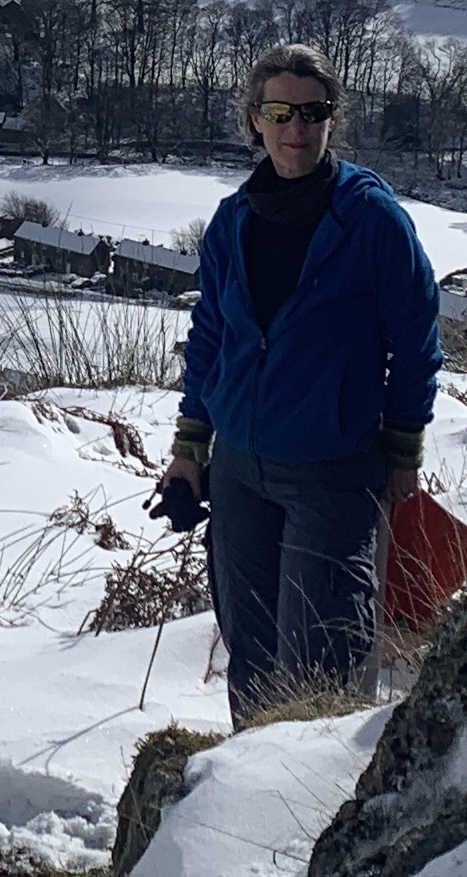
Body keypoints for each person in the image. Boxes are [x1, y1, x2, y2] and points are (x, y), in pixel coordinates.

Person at [160, 41, 441, 723]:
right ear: (252, 119)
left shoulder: (371, 220)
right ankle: (238, 805)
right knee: (251, 659)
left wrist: (402, 449)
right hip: (238, 471)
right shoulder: (233, 220)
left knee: (323, 665)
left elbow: (415, 337)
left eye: (311, 112)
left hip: (332, 471)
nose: (295, 127)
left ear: (331, 119)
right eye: (278, 111)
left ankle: (317, 810)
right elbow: (212, 337)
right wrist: (189, 447)